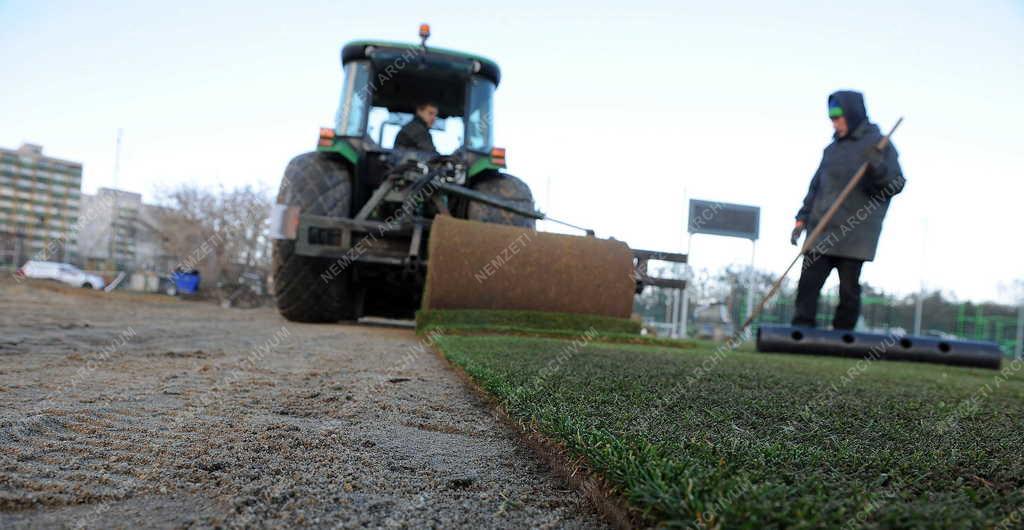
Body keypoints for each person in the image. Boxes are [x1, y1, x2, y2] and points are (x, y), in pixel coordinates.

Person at [790, 90, 905, 329]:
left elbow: (896, 184)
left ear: (852, 114)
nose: (834, 122)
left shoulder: (879, 144)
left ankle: (843, 336)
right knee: (808, 284)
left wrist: (877, 168)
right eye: (831, 116)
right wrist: (801, 219)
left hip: (855, 232)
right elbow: (815, 188)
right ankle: (801, 333)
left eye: (837, 116)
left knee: (848, 290)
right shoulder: (832, 150)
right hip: (822, 229)